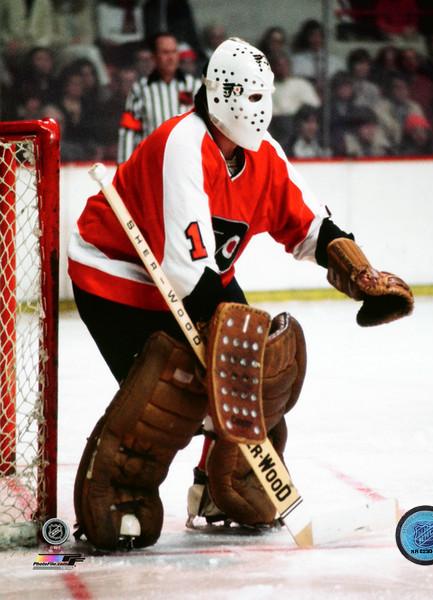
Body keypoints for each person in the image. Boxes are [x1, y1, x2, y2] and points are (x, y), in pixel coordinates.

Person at [68, 38, 413, 550]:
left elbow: (311, 225)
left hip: (196, 271)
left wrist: (359, 276)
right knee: (175, 385)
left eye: (264, 95)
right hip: (118, 271)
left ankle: (219, 489)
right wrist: (226, 371)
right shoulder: (182, 144)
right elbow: (185, 276)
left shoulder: (263, 155)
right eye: (248, 96)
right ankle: (120, 494)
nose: (259, 108)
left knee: (260, 371)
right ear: (218, 94)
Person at [117, 31, 201, 163]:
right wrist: (123, 167)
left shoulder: (195, 86)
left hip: (189, 162)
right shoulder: (140, 90)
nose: (171, 57)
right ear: (154, 57)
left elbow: (207, 128)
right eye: (165, 52)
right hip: (153, 163)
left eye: (174, 52)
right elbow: (129, 130)